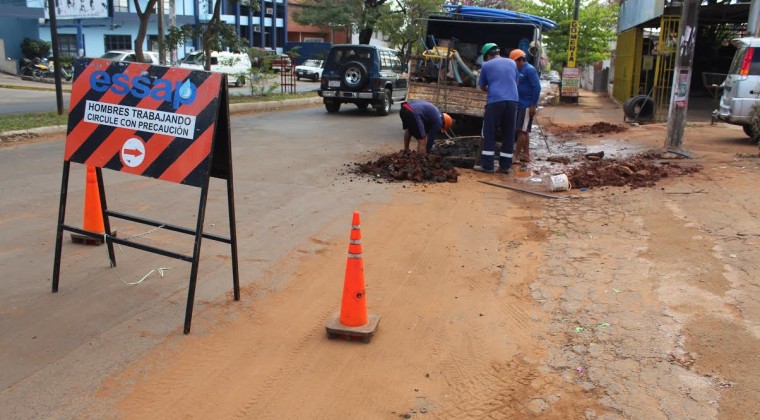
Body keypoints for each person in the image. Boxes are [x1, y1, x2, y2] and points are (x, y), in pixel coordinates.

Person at [475, 43, 519, 173]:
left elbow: (482, 86)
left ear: (487, 55)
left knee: (490, 132)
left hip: (495, 102)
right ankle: (505, 166)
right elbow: (516, 82)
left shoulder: (486, 66)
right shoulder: (512, 63)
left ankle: (487, 166)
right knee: (509, 133)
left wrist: (493, 89)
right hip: (512, 101)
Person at [510, 49, 541, 163]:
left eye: (514, 62)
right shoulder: (519, 70)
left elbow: (537, 87)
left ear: (520, 60)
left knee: (521, 131)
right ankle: (526, 154)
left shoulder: (529, 70)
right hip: (521, 104)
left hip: (526, 105)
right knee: (524, 130)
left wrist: (533, 105)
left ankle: (516, 156)